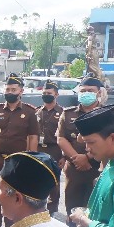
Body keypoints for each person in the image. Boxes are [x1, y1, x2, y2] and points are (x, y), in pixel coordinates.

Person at [0, 73, 39, 227]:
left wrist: (31, 160)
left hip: (17, 160)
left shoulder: (29, 112)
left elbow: (33, 137)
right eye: (7, 89)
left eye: (13, 89)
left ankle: (11, 226)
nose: (10, 92)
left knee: (13, 195)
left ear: (21, 91)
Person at [57, 73, 102, 227]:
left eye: (90, 90)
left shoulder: (106, 114)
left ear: (98, 92)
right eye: (82, 90)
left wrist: (87, 157)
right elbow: (61, 138)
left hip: (97, 169)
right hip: (74, 169)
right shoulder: (68, 113)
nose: (85, 93)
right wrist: (77, 158)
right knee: (72, 207)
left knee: (93, 209)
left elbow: (108, 140)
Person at [35, 80, 64, 215]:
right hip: (39, 149)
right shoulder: (37, 112)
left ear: (56, 95)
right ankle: (39, 207)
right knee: (39, 180)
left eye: (49, 93)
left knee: (54, 182)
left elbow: (66, 135)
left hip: (55, 150)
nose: (46, 95)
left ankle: (51, 210)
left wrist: (64, 156)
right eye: (44, 93)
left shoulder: (63, 113)